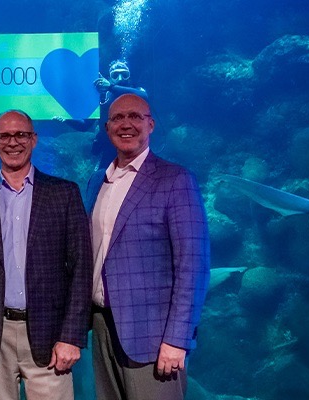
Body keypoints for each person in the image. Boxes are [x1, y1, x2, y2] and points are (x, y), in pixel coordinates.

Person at [0, 109, 91, 400]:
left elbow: (81, 269)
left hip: (51, 336)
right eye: (4, 135)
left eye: (21, 135)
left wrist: (71, 336)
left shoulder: (64, 194)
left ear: (34, 139)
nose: (12, 142)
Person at [84, 93, 210, 399]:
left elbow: (193, 266)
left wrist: (178, 339)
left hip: (154, 339)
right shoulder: (96, 181)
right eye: (117, 118)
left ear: (150, 124)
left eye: (135, 116)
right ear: (106, 127)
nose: (126, 124)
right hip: (101, 328)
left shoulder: (175, 180)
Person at [54, 59, 148, 167]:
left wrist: (111, 87)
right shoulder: (102, 97)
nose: (120, 78)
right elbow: (85, 125)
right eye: (115, 75)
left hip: (134, 145)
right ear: (109, 77)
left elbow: (144, 97)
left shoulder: (137, 91)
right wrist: (66, 120)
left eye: (124, 74)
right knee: (104, 179)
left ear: (129, 76)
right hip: (110, 145)